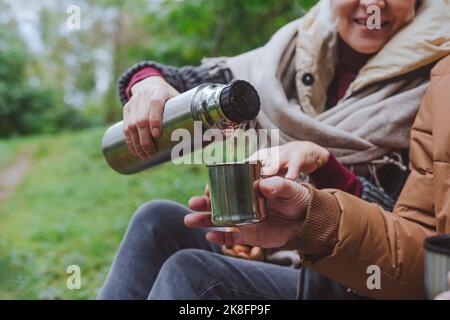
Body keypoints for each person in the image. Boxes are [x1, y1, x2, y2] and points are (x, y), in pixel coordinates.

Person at [98, 0, 450, 299]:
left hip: (354, 279)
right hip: (277, 246)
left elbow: (407, 240)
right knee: (156, 220)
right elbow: (197, 87)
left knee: (194, 273)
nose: (373, 5)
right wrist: (147, 84)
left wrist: (324, 166)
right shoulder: (293, 52)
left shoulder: (434, 81)